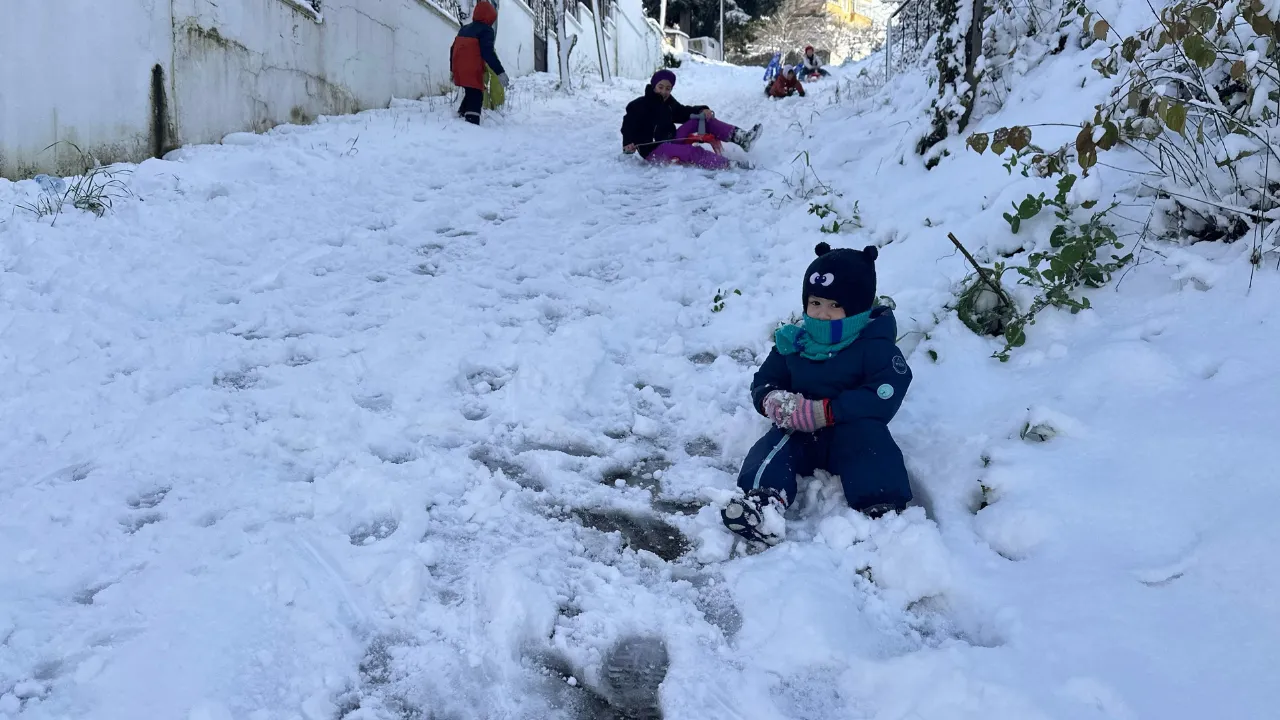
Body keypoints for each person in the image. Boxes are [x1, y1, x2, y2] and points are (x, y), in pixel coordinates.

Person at [721, 243, 914, 547]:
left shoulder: (874, 346)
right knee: (772, 448)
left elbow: (884, 392)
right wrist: (774, 400)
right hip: (799, 427)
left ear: (858, 307)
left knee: (873, 446)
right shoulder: (795, 342)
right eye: (815, 302)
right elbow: (766, 379)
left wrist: (829, 411)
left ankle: (883, 507)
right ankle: (763, 504)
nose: (822, 314)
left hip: (850, 429)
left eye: (835, 305)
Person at [621, 70, 762, 171]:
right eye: (661, 87)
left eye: (668, 88)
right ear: (653, 86)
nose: (664, 91)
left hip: (671, 138)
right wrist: (628, 143)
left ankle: (742, 138)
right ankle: (729, 165)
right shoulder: (639, 105)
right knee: (691, 151)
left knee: (703, 119)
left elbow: (683, 112)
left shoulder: (668, 102)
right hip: (654, 150)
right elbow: (627, 125)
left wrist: (702, 110)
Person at [451, 1, 509, 125]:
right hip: (472, 69)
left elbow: (453, 48)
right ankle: (471, 124)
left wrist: (452, 70)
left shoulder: (464, 29)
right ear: (489, 17)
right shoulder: (486, 31)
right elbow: (488, 53)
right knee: (476, 95)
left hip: (459, 68)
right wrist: (500, 72)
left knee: (470, 92)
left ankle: (460, 117)